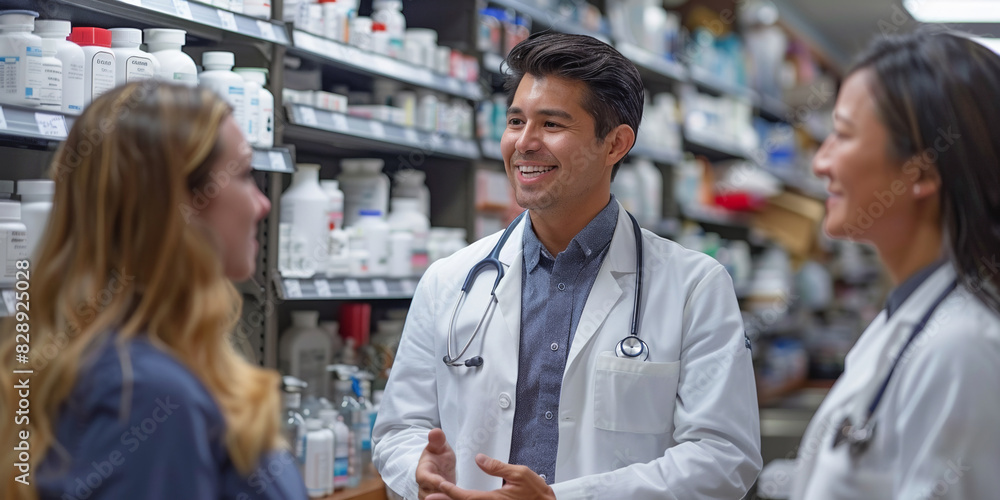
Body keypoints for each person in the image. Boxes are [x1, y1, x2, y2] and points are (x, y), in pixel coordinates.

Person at [373, 32, 761, 500]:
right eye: (516, 121)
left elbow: (723, 457)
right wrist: (418, 468)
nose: (524, 143)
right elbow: (400, 428)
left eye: (551, 124)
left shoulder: (694, 287)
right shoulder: (449, 280)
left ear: (615, 144)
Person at [0, 82, 307, 499]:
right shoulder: (145, 393)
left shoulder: (146, 362)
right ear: (180, 206)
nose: (262, 203)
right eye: (245, 175)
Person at [791, 31, 1000, 498]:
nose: (821, 162)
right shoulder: (909, 318)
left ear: (922, 171)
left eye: (842, 135)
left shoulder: (961, 348)